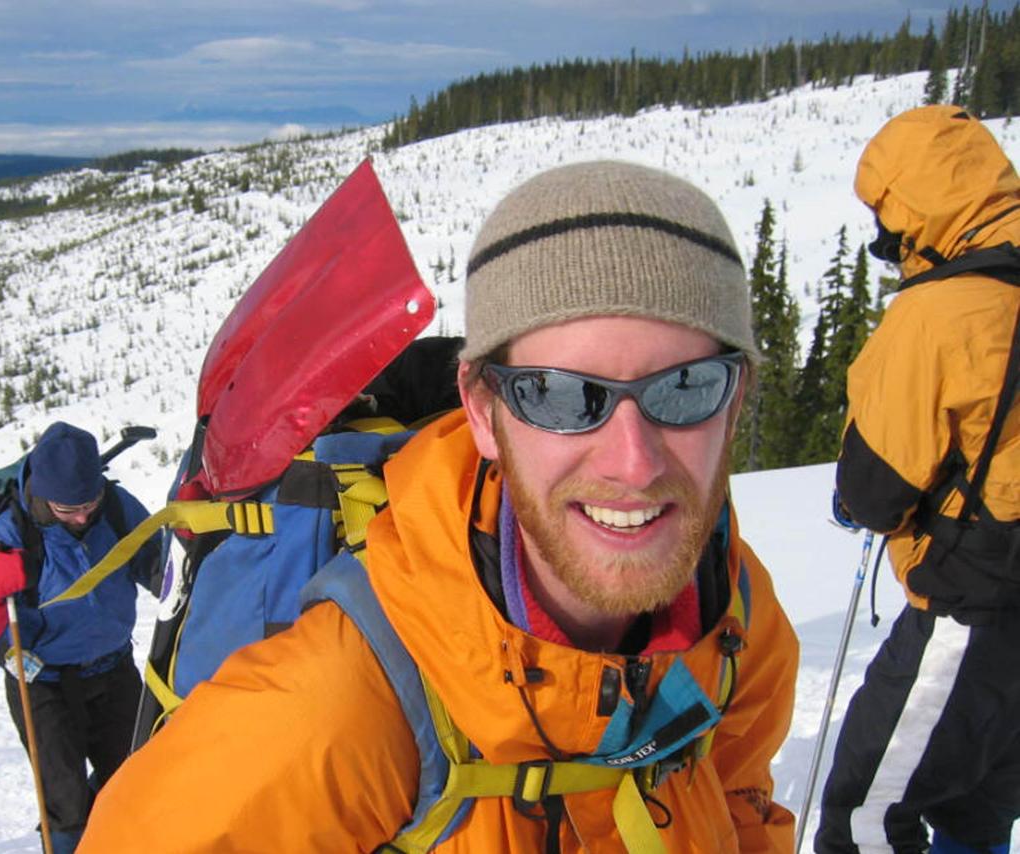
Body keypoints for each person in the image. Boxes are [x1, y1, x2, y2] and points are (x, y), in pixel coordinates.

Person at [79, 160, 799, 851]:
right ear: (484, 413)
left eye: (685, 388)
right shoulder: (335, 712)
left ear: (734, 404)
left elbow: (738, 806)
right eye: (559, 395)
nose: (633, 462)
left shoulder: (738, 624)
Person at [816, 107, 1020, 854]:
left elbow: (875, 492)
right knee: (978, 811)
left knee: (864, 815)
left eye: (885, 216)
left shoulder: (941, 314)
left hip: (969, 612)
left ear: (911, 204)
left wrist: (858, 497)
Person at [0, 421, 160, 854]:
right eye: (68, 509)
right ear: (44, 496)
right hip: (42, 684)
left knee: (135, 779)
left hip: (113, 668)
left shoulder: (115, 507)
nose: (83, 516)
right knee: (65, 805)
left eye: (89, 503)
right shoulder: (12, 533)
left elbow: (159, 565)